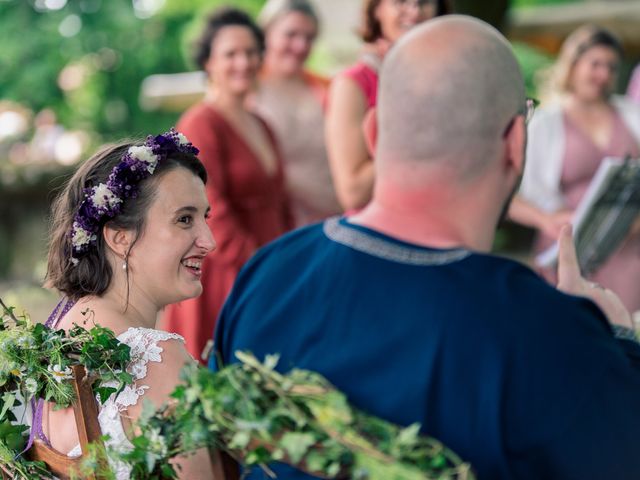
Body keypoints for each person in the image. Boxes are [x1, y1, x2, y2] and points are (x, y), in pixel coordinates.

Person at [211, 16, 640, 480]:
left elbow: (222, 445)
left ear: (372, 134)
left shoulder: (268, 272)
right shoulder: (553, 332)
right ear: (516, 143)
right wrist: (616, 339)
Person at [42, 129, 215, 479]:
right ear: (120, 237)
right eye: (184, 219)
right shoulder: (158, 358)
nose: (208, 241)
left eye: (204, 217)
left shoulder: (56, 334)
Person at [161, 7, 293, 362]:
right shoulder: (201, 123)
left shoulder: (261, 123)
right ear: (208, 62)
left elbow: (281, 202)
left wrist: (291, 260)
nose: (244, 62)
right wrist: (259, 270)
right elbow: (211, 211)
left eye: (251, 52)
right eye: (231, 53)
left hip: (269, 266)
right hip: (228, 273)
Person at [509, 25, 640, 313]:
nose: (603, 74)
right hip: (569, 248)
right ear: (573, 64)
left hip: (629, 251)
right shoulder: (547, 122)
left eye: (611, 67)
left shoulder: (631, 114)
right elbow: (515, 191)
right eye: (595, 64)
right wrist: (547, 219)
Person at [325, 0, 448, 211]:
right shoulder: (352, 84)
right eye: (400, 2)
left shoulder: (445, 78)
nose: (414, 11)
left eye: (424, 2)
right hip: (379, 233)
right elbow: (353, 192)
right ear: (377, 9)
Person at [252, 0, 341, 227]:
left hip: (337, 215)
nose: (301, 46)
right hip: (283, 224)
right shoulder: (248, 91)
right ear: (267, 33)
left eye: (309, 37)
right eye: (291, 35)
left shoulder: (325, 87)